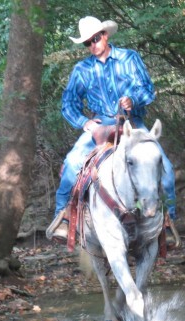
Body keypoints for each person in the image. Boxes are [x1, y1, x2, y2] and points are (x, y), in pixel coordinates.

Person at [48, 16, 177, 239]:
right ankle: (63, 217)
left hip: (132, 123)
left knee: (165, 168)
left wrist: (132, 100)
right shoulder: (81, 70)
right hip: (100, 127)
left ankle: (168, 221)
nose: (93, 45)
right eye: (87, 43)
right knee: (71, 164)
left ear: (105, 35)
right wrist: (85, 123)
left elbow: (148, 89)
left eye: (95, 39)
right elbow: (68, 104)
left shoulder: (129, 58)